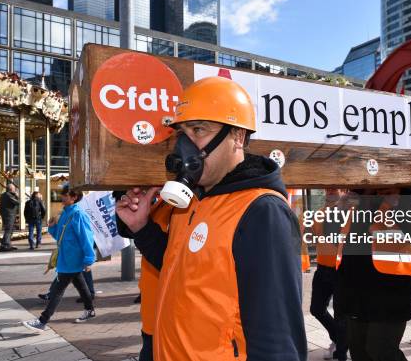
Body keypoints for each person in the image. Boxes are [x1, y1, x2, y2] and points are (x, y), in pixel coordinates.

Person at [116, 76, 307, 360]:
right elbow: (178, 266)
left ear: (238, 136)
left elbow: (278, 340)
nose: (185, 145)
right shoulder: (195, 199)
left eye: (198, 130)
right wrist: (141, 228)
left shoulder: (262, 211)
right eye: (181, 133)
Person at [334, 188, 411, 361]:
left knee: (380, 350)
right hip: (355, 293)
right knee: (359, 351)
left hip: (389, 297)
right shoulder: (355, 200)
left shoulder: (403, 197)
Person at [23, 186, 96, 332]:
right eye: (62, 194)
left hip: (72, 259)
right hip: (66, 258)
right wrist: (52, 228)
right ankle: (90, 310)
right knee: (81, 286)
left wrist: (89, 258)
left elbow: (86, 238)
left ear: (74, 197)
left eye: (65, 195)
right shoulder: (65, 214)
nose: (62, 197)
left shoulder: (78, 214)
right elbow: (61, 237)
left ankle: (42, 321)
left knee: (57, 290)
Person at [118, 197, 172, 361]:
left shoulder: (194, 196)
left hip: (173, 327)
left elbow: (180, 264)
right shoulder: (165, 197)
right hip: (152, 318)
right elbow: (132, 228)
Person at [309, 189, 348, 360]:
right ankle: (341, 339)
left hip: (340, 269)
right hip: (322, 267)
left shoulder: (348, 212)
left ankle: (341, 349)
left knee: (341, 314)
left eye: (335, 187)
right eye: (328, 188)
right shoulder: (319, 213)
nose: (331, 190)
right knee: (316, 309)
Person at [0, 183, 20, 252]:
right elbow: (17, 202)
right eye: (14, 188)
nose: (15, 190)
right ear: (11, 189)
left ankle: (7, 244)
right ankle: (5, 245)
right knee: (8, 230)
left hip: (8, 214)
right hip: (9, 215)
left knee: (10, 230)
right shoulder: (8, 195)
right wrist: (17, 196)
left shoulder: (4, 195)